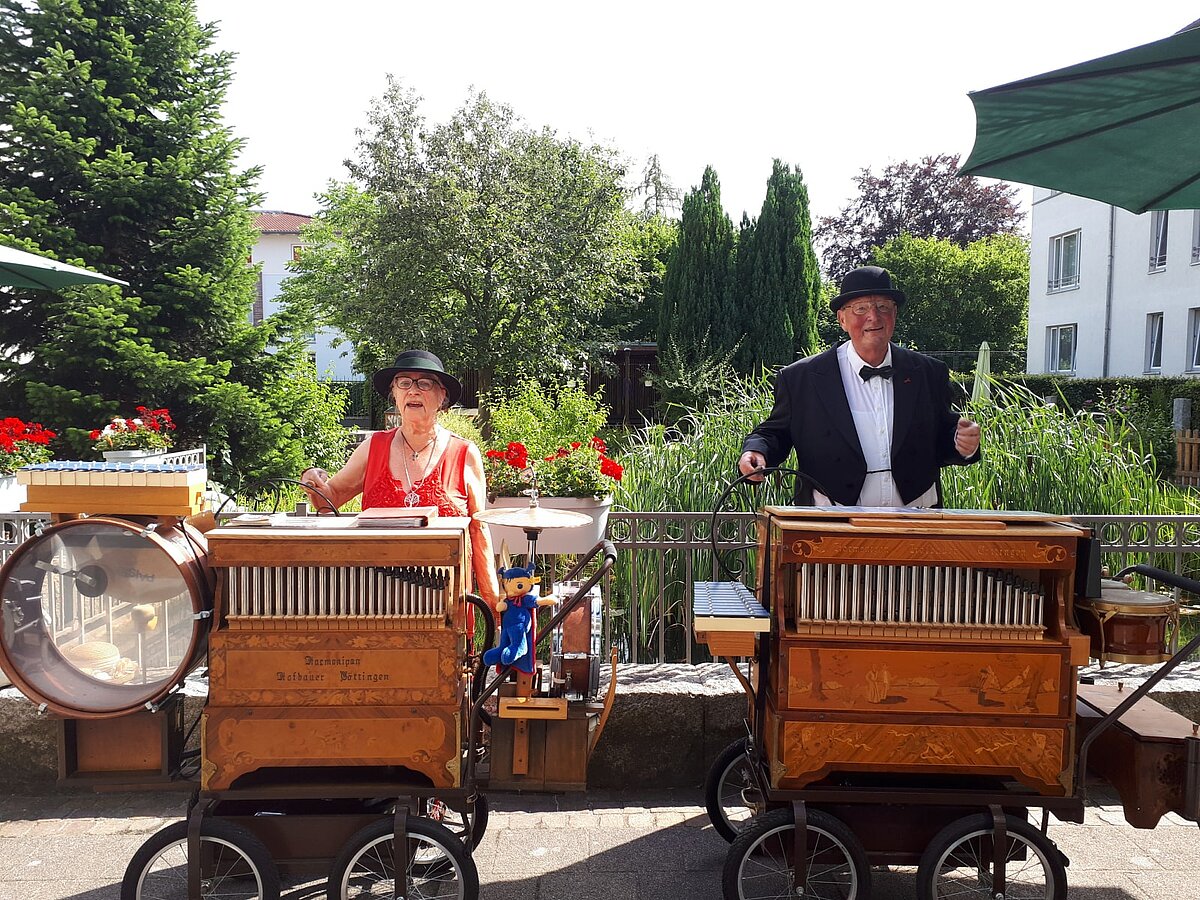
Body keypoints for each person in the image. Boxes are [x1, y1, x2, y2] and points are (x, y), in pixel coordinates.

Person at [738, 266, 981, 507]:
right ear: (842, 319)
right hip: (831, 524)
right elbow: (775, 432)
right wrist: (757, 452)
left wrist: (962, 444)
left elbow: (943, 435)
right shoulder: (801, 378)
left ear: (894, 314)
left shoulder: (929, 373)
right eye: (861, 308)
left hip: (917, 520)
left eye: (883, 307)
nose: (873, 317)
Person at [300, 349, 500, 607]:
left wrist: (494, 604)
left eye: (424, 383)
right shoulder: (373, 448)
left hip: (447, 599)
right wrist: (312, 479)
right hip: (377, 596)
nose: (413, 391)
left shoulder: (464, 453)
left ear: (442, 397)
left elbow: (479, 529)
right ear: (394, 393)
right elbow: (330, 499)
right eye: (404, 383)